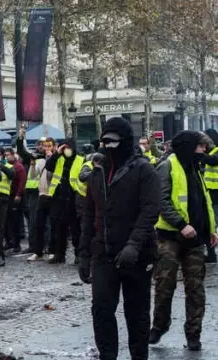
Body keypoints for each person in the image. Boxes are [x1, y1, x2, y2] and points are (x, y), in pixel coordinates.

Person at [79, 117, 160, 360]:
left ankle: (138, 356)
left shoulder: (144, 170)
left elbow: (150, 210)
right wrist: (84, 254)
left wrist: (134, 245)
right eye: (104, 142)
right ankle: (108, 356)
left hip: (137, 253)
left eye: (113, 142)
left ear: (125, 142)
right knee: (101, 309)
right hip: (104, 252)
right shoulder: (97, 173)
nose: (108, 147)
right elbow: (89, 214)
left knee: (136, 313)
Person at [150, 130, 218, 351]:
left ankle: (193, 334)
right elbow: (161, 201)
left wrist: (211, 228)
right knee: (164, 285)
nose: (204, 151)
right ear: (189, 146)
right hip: (170, 237)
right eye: (200, 146)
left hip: (196, 238)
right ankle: (159, 326)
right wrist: (181, 224)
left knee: (196, 289)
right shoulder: (167, 166)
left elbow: (203, 199)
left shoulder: (194, 167)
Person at [45, 138, 82, 264]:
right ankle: (59, 254)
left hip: (73, 198)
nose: (67, 150)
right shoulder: (58, 159)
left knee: (76, 229)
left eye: (68, 147)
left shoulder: (80, 160)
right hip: (58, 198)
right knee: (59, 229)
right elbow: (48, 167)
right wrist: (56, 153)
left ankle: (79, 255)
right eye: (64, 148)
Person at [27, 138, 55, 261]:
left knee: (52, 225)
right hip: (42, 194)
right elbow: (32, 176)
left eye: (49, 145)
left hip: (53, 195)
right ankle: (38, 251)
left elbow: (50, 176)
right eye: (44, 146)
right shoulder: (40, 161)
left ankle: (52, 250)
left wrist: (51, 159)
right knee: (39, 225)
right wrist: (32, 164)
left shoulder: (57, 160)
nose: (46, 148)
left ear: (54, 147)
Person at [4, 148, 26, 253]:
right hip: (8, 196)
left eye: (8, 155)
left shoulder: (18, 167)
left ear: (13, 155)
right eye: (6, 155)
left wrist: (19, 194)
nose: (7, 157)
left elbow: (22, 182)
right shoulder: (7, 166)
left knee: (15, 221)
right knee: (7, 221)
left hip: (15, 196)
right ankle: (10, 242)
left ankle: (17, 244)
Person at [202, 128, 218, 263]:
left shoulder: (215, 152)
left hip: (216, 192)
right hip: (210, 191)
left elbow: (213, 161)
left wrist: (198, 155)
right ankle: (211, 253)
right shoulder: (208, 151)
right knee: (210, 223)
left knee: (213, 222)